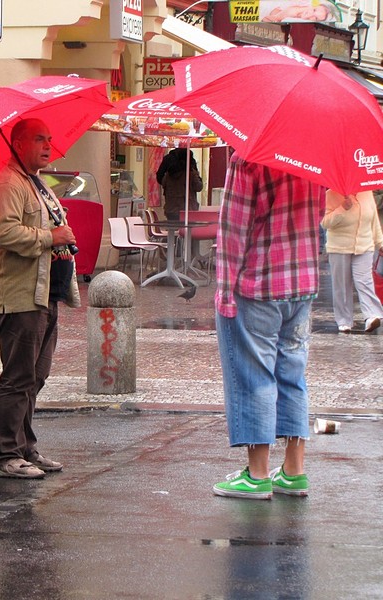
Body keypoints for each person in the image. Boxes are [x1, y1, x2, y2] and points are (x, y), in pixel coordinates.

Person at [212, 155, 325, 500]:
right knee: (293, 374)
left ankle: (258, 473)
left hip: (260, 285)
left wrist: (225, 290)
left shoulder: (249, 158)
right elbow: (318, 217)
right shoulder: (312, 158)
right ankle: (293, 470)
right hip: (302, 284)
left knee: (254, 377)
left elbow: (233, 230)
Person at [0, 118, 80, 479]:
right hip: (18, 297)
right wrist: (49, 237)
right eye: (39, 139)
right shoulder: (8, 184)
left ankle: (26, 448)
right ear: (18, 144)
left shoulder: (36, 183)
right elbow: (3, 231)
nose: (47, 146)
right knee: (18, 377)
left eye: (50, 139)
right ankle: (5, 456)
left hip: (43, 296)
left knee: (36, 376)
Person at [321, 189, 383, 333]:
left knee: (365, 281)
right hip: (339, 247)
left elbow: (374, 222)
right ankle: (344, 320)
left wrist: (380, 243)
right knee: (342, 284)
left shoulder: (366, 193)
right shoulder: (331, 194)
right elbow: (325, 223)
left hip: (365, 245)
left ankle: (372, 315)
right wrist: (342, 209)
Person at [156, 148, 203, 222]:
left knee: (172, 230)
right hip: (188, 208)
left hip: (171, 208)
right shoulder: (191, 174)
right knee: (187, 231)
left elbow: (163, 182)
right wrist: (198, 176)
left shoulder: (169, 173)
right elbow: (198, 187)